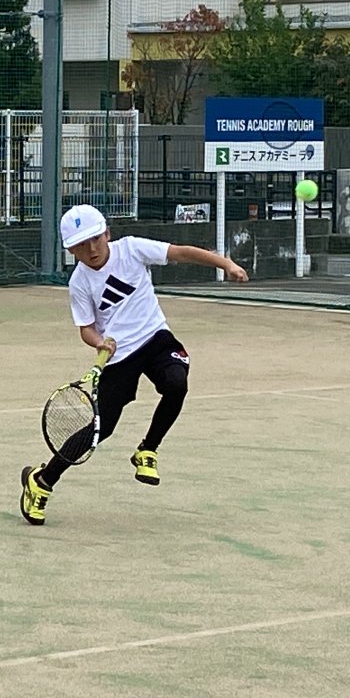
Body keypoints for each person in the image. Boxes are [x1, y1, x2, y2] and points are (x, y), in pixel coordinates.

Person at [19, 203, 249, 525]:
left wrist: (226, 264)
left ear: (107, 234)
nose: (91, 249)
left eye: (95, 239)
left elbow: (181, 252)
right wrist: (99, 343)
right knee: (101, 429)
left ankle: (147, 450)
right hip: (119, 355)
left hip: (155, 338)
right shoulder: (79, 282)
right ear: (70, 250)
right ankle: (42, 481)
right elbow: (86, 328)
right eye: (81, 245)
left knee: (176, 383)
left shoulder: (131, 249)